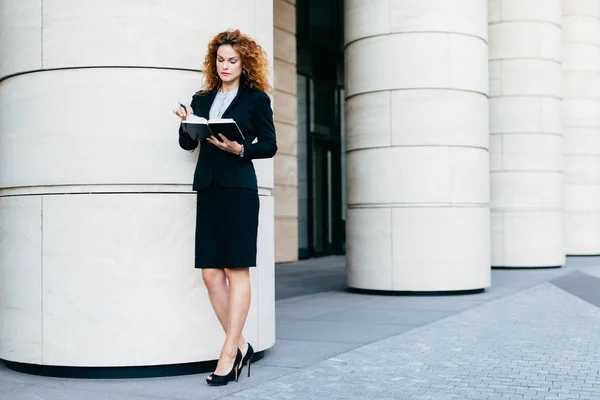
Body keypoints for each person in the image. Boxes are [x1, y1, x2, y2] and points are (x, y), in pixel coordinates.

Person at [173, 29, 277, 386]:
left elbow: (270, 145)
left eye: (232, 60)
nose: (225, 66)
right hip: (210, 188)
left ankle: (229, 352)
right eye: (220, 60)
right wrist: (186, 123)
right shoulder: (201, 99)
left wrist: (241, 149)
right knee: (210, 274)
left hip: (239, 190)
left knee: (237, 271)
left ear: (243, 62)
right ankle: (242, 345)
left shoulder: (255, 99)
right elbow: (188, 144)